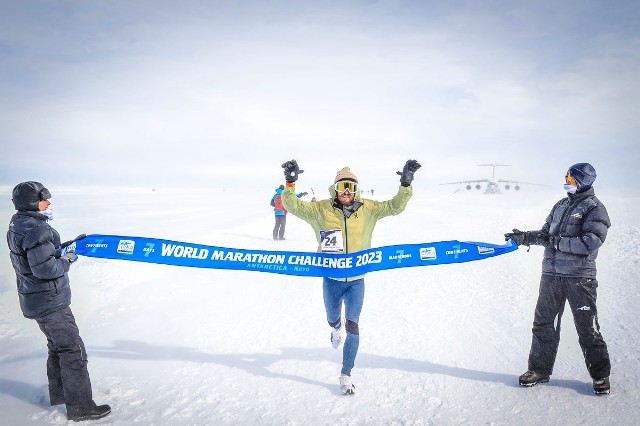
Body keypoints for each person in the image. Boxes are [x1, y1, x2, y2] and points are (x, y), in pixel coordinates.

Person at [280, 159, 421, 394]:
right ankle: (335, 328)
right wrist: (290, 182)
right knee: (333, 318)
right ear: (335, 189)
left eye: (351, 187)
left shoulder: (369, 209)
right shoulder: (320, 210)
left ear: (357, 190)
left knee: (353, 325)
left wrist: (405, 184)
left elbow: (395, 207)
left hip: (357, 281)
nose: (347, 192)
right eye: (342, 186)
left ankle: (346, 374)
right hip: (332, 281)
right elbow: (292, 205)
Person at [7, 181, 111, 421]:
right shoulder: (36, 229)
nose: (49, 202)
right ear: (32, 202)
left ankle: (62, 396)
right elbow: (46, 269)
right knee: (73, 350)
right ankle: (81, 407)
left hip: (35, 300)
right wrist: (67, 261)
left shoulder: (19, 223)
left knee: (58, 348)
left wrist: (70, 245)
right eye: (45, 198)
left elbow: (38, 253)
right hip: (50, 302)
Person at [504, 163, 611, 395]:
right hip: (551, 275)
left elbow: (590, 242)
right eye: (566, 178)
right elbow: (546, 235)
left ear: (582, 181)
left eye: (571, 179)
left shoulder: (595, 208)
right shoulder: (561, 205)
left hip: (579, 277)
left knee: (587, 328)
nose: (567, 181)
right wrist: (523, 237)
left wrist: (557, 243)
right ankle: (539, 370)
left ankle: (601, 376)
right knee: (543, 324)